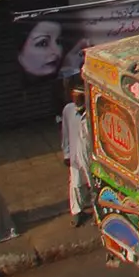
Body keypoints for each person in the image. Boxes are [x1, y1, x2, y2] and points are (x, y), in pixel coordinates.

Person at [60, 80, 93, 225]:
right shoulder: (68, 110)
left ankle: (98, 214)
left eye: (78, 96)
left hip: (88, 154)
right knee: (75, 184)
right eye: (74, 96)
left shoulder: (91, 112)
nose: (75, 99)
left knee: (93, 184)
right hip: (74, 153)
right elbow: (65, 133)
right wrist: (66, 153)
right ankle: (77, 212)